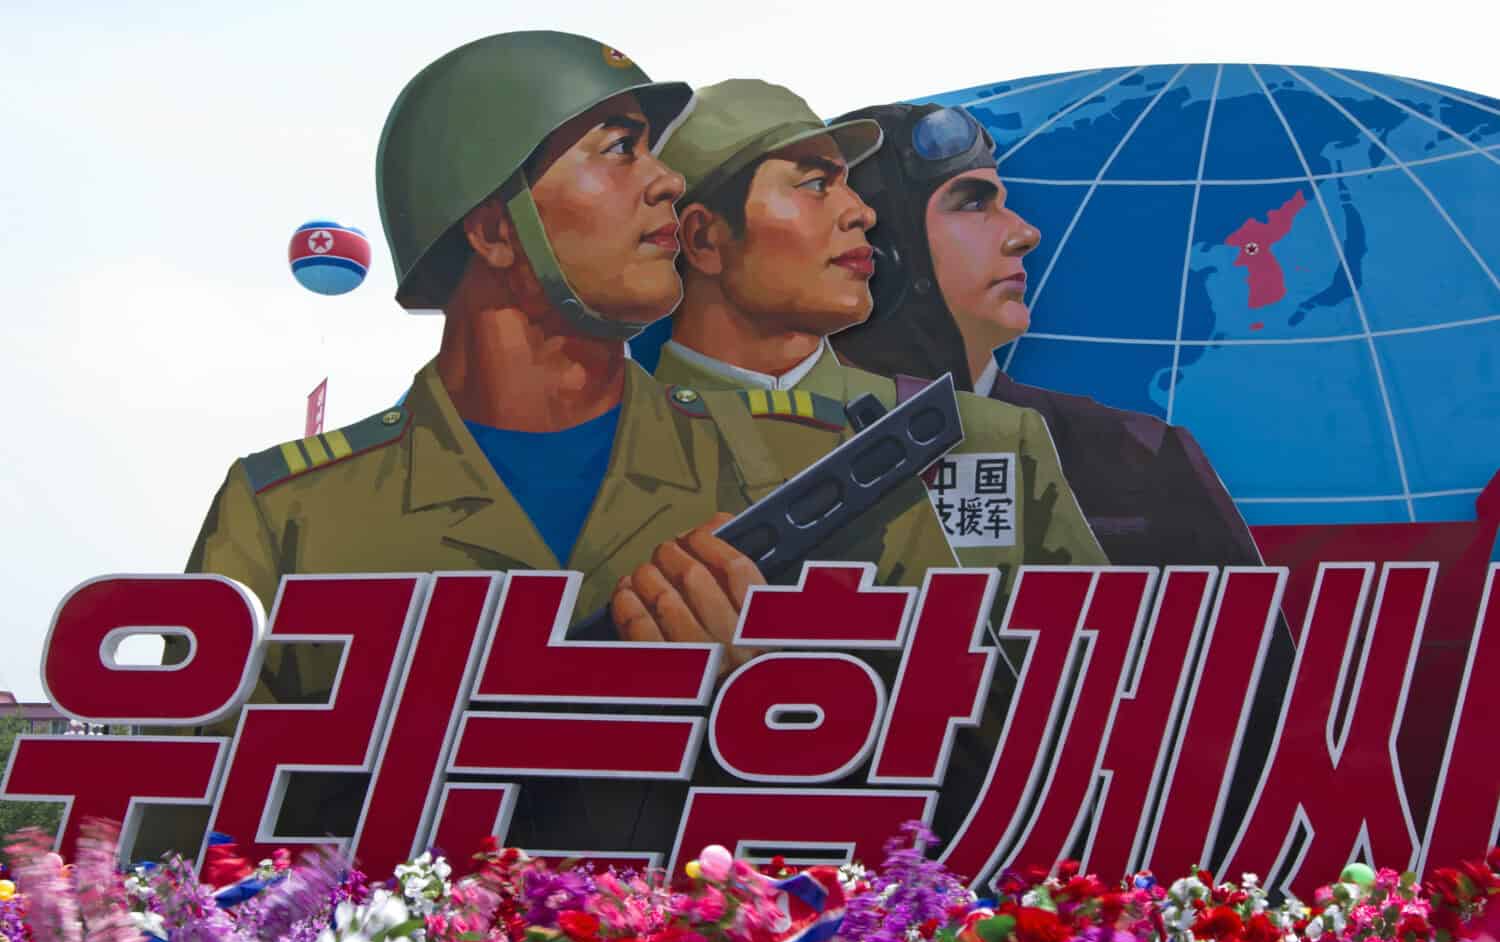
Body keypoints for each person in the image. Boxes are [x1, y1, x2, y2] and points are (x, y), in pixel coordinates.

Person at [144, 34, 956, 860]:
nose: (669, 182)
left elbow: (993, 776)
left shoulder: (815, 464)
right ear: (497, 229)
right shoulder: (289, 517)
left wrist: (785, 705)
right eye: (619, 151)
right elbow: (183, 849)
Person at [653, 79, 1107, 586]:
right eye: (813, 184)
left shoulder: (988, 436)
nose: (862, 213)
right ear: (702, 237)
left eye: (845, 183)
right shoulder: (610, 441)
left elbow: (1100, 651)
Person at [829, 101, 1262, 568]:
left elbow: (1252, 638)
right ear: (881, 256)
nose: (1025, 234)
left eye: (1001, 201)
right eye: (974, 203)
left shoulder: (1142, 455)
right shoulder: (767, 452)